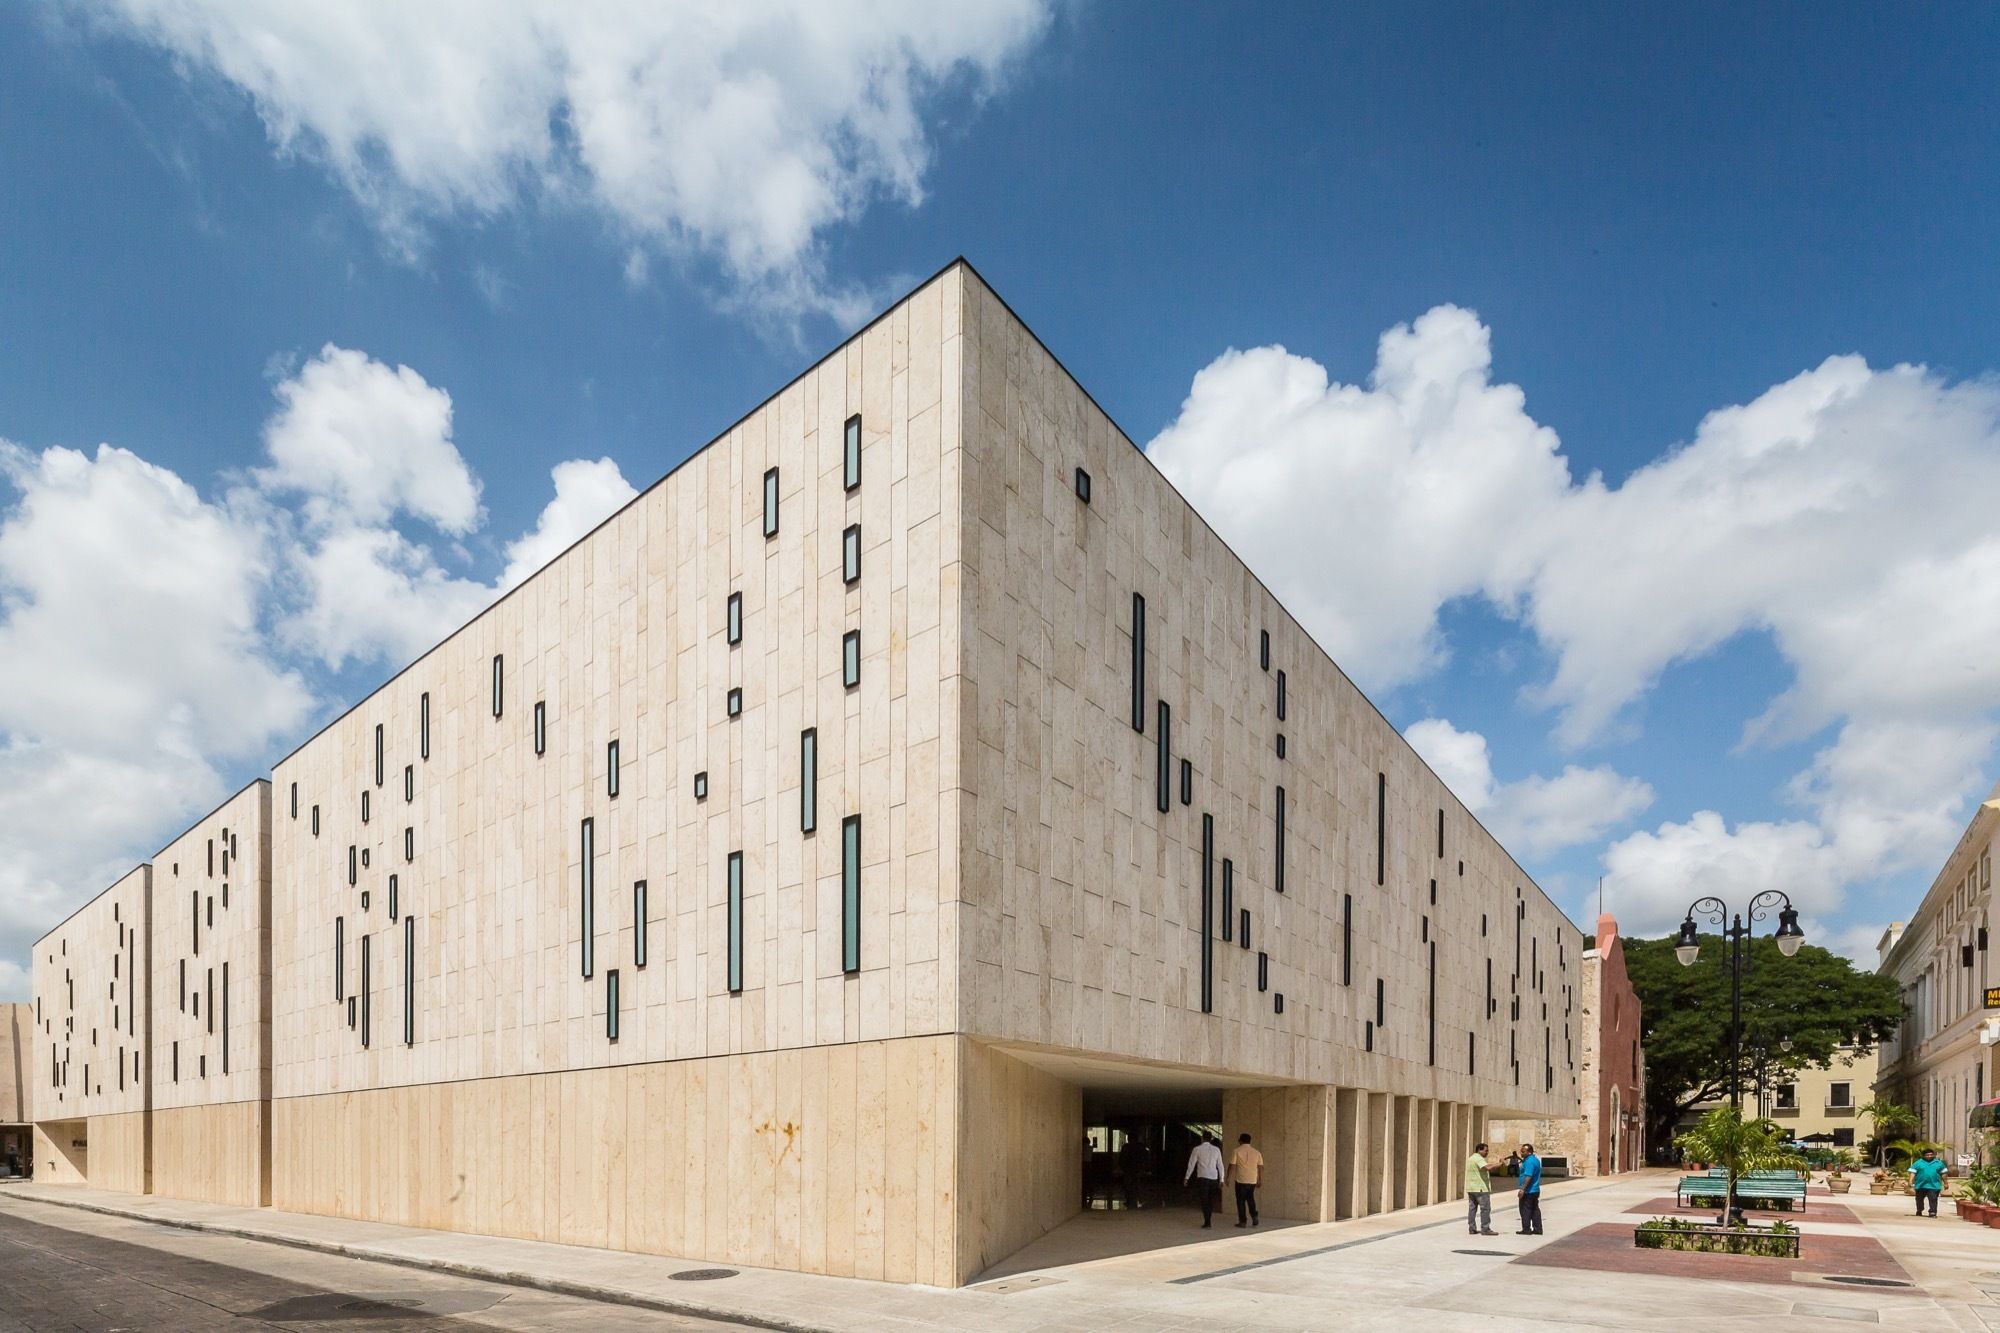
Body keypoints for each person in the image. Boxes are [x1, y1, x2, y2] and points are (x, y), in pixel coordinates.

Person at [1185, 1132, 1225, 1228]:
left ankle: (1207, 1221)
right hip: (1213, 1177)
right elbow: (1220, 1165)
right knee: (1210, 1199)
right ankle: (1208, 1219)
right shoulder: (1216, 1150)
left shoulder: (1197, 1149)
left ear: (1202, 1138)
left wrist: (1187, 1177)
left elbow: (1191, 1164)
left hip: (1202, 1177)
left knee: (1204, 1199)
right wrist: (1221, 1179)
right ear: (1211, 1138)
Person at [1228, 1133, 1264, 1227]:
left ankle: (1243, 1221)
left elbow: (1232, 1165)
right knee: (1250, 1198)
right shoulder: (1257, 1152)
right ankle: (1254, 1215)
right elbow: (1260, 1167)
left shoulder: (1236, 1151)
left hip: (1240, 1180)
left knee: (1240, 1201)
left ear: (1240, 1141)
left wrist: (1228, 1177)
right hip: (1252, 1180)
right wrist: (1260, 1179)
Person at [1465, 1141, 1497, 1235]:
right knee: (1485, 1209)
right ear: (1479, 1150)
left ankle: (1472, 1228)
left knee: (1472, 1209)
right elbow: (1487, 1167)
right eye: (1486, 1151)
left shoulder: (1471, 1158)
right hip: (1480, 1188)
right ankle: (1485, 1229)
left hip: (1471, 1188)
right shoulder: (1479, 1158)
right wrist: (1500, 1164)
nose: (1487, 1153)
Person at [1515, 1142, 1543, 1236]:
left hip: (1529, 1190)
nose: (1521, 1153)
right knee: (1535, 1209)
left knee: (1525, 1209)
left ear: (1529, 1152)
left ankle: (1526, 1229)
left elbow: (1528, 1176)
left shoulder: (1529, 1162)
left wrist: (1522, 1189)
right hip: (1535, 1189)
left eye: (1523, 1151)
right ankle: (1538, 1228)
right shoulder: (1535, 1160)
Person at [1910, 1148, 1946, 1217]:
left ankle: (1932, 1212)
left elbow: (1944, 1173)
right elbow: (1913, 1172)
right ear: (1923, 1156)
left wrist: (1946, 1183)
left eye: (1931, 1155)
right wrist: (1910, 1181)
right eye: (1927, 1155)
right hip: (1920, 1185)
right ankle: (1919, 1209)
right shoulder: (1918, 1163)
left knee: (1933, 1199)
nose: (1929, 1156)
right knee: (1919, 1199)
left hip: (1934, 1185)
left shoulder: (1938, 1163)